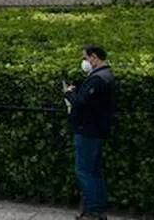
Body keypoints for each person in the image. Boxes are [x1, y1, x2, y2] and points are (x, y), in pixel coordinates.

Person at [64, 44, 118, 220]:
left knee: (85, 171)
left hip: (88, 130)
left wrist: (69, 94)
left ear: (94, 57)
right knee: (94, 172)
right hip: (97, 129)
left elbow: (82, 103)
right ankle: (98, 209)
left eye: (85, 58)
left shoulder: (98, 79)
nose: (84, 62)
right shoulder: (106, 76)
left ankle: (92, 212)